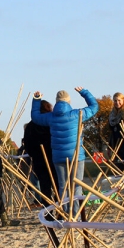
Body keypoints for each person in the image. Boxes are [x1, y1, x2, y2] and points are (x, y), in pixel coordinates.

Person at [31, 87, 98, 215]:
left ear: (56, 102)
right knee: (77, 186)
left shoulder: (51, 117)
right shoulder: (77, 114)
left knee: (63, 186)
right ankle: (76, 215)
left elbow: (35, 117)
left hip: (58, 156)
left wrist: (36, 99)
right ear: (68, 101)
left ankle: (66, 213)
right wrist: (84, 93)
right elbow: (94, 107)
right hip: (76, 155)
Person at [23, 100, 59, 209]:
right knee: (58, 187)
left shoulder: (30, 126)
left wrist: (34, 154)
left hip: (39, 161)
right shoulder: (51, 121)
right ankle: (60, 211)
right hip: (54, 158)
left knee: (45, 188)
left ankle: (48, 214)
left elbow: (27, 145)